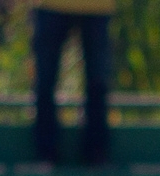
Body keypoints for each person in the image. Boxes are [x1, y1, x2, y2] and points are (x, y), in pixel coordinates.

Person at [31, 0, 114, 167]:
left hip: (97, 8)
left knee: (97, 83)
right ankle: (46, 154)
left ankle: (96, 153)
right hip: (50, 7)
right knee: (45, 81)